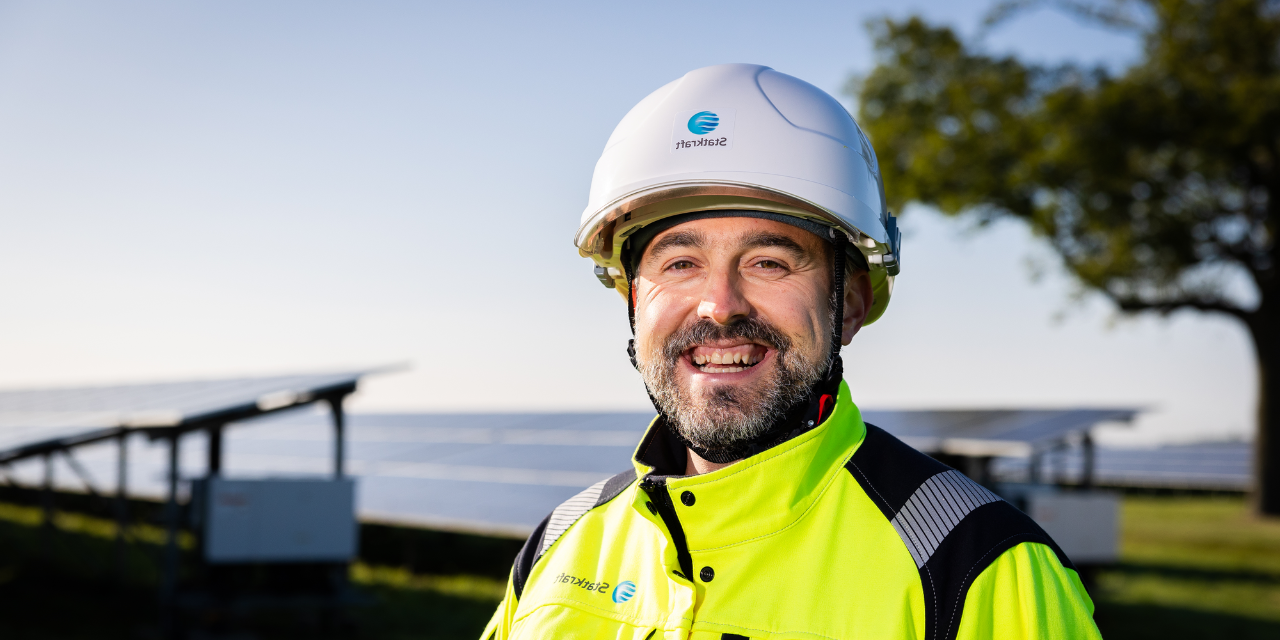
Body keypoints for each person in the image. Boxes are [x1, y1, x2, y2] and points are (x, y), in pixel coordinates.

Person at [481, 63, 1100, 640]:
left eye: (769, 262)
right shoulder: (560, 543)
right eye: (680, 263)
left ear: (850, 304)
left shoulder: (977, 565)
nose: (719, 306)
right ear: (632, 302)